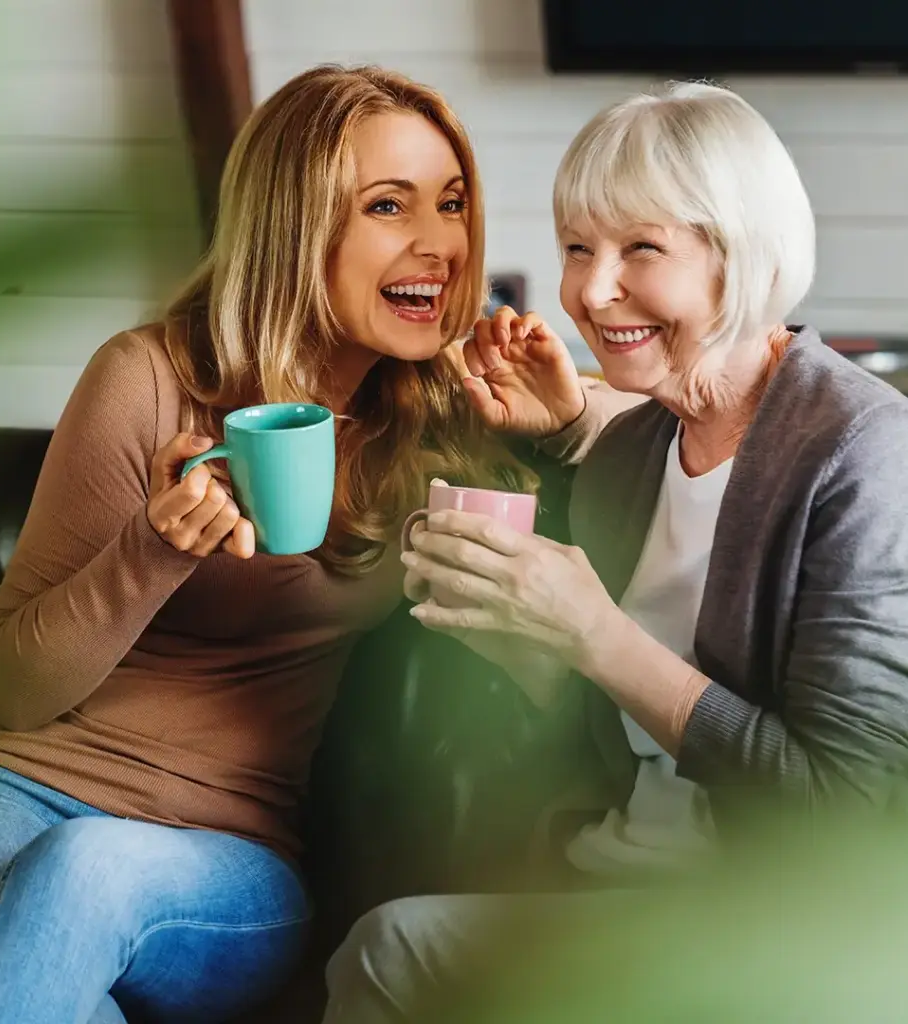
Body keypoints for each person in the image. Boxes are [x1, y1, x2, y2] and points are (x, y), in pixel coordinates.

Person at [0, 65, 637, 1024]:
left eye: (450, 203)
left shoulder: (446, 409)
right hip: (9, 792)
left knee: (87, 872)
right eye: (389, 205)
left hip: (226, 859)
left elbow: (680, 434)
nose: (439, 242)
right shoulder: (147, 378)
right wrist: (156, 551)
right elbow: (12, 693)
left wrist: (566, 421)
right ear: (294, 225)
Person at [322, 81, 908, 1023]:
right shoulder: (630, 453)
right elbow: (607, 731)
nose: (592, 293)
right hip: (615, 874)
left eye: (642, 249)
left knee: (389, 953)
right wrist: (514, 633)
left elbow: (840, 810)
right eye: (577, 249)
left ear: (739, 256)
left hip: (779, 920)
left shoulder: (864, 451)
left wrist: (594, 633)